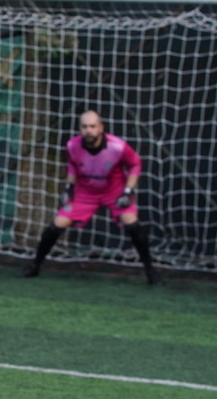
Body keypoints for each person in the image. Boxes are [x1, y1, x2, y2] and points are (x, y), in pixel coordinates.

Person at [20, 109, 162, 284]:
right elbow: (72, 165)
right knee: (56, 225)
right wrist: (69, 188)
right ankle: (35, 265)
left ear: (101, 128)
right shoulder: (72, 145)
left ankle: (150, 271)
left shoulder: (117, 146)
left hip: (114, 191)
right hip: (85, 192)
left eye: (93, 126)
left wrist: (128, 191)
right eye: (85, 127)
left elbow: (135, 164)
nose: (89, 130)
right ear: (80, 128)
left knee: (133, 225)